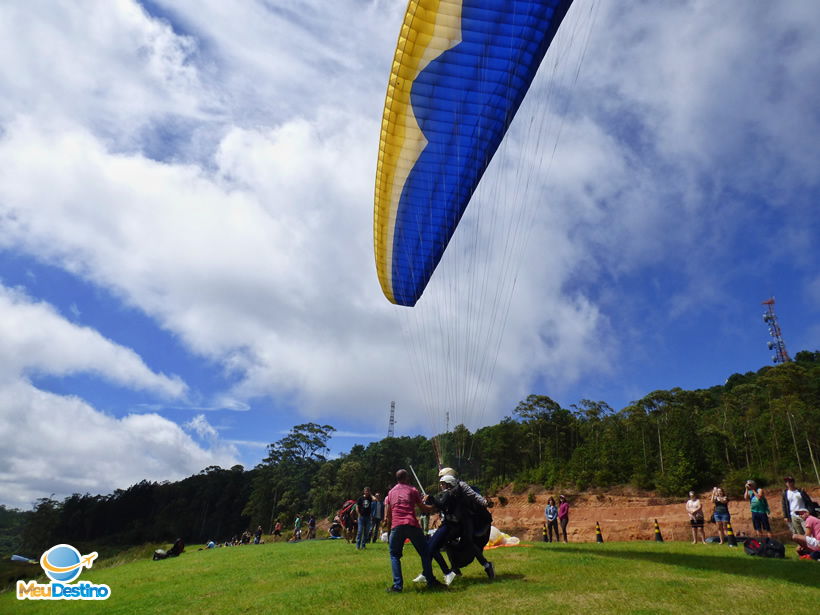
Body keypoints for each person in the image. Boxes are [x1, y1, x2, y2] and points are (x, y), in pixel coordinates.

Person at [425, 473, 494, 583]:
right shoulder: (448, 492)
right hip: (454, 523)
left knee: (469, 543)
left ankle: (486, 565)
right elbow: (442, 503)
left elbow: (474, 496)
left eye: (443, 483)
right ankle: (455, 568)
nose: (441, 485)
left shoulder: (462, 486)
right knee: (447, 541)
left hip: (466, 521)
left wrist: (485, 503)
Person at [384, 469, 438, 592]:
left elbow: (388, 515)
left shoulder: (390, 493)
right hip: (411, 524)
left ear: (397, 478)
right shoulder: (412, 490)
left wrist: (389, 531)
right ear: (407, 478)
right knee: (425, 553)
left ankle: (397, 586)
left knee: (394, 556)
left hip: (396, 526)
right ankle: (431, 581)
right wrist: (434, 506)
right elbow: (423, 508)